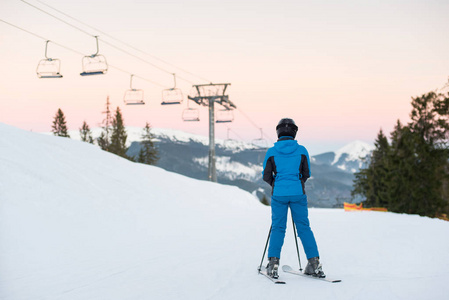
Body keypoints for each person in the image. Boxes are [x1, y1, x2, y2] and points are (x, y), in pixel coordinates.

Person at [262, 118, 325, 279]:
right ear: (294, 132)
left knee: (278, 228)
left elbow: (266, 176)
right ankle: (314, 263)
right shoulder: (302, 150)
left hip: (279, 195)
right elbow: (306, 173)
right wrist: (297, 183)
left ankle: (273, 264)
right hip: (298, 193)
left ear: (278, 132)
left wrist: (278, 184)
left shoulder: (271, 152)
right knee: (304, 227)